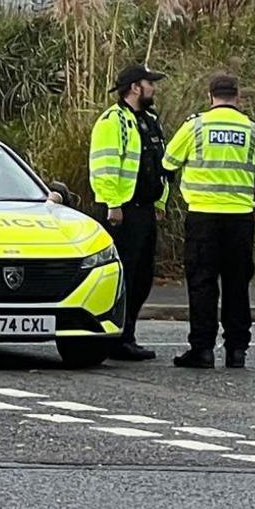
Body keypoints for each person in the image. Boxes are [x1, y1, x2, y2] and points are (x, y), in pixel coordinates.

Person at [161, 74, 255, 371]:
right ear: (238, 97)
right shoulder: (253, 131)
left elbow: (168, 161)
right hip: (239, 219)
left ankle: (202, 350)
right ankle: (237, 350)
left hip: (203, 217)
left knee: (202, 284)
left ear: (210, 96)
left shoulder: (196, 126)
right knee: (237, 285)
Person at [89, 64, 169, 362]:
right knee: (125, 275)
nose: (154, 88)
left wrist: (161, 202)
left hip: (146, 210)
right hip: (122, 211)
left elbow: (160, 164)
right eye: (151, 83)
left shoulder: (149, 120)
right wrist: (112, 204)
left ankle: (128, 333)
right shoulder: (113, 121)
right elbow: (104, 167)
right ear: (136, 87)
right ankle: (118, 337)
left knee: (143, 275)